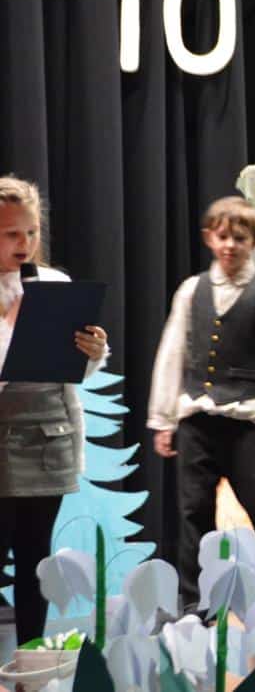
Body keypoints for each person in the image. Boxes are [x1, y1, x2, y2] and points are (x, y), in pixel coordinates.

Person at [148, 196, 255, 609]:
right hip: (196, 420)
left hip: (245, 421)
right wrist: (163, 419)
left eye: (240, 238)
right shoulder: (191, 291)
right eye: (223, 237)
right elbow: (173, 352)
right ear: (209, 238)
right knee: (193, 511)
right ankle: (195, 601)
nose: (230, 245)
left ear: (254, 241)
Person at [0, 176, 109, 644]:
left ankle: (30, 657)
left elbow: (74, 373)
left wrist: (93, 351)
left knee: (35, 556)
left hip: (46, 437)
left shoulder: (54, 285)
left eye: (32, 232)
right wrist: (11, 325)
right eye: (11, 234)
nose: (24, 244)